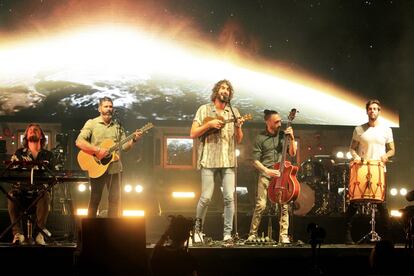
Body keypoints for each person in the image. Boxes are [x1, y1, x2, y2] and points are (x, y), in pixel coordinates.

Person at [190, 79, 245, 242]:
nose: (225, 91)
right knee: (206, 197)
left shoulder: (234, 112)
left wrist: (239, 127)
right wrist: (209, 125)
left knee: (229, 197)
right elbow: (192, 133)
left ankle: (227, 234)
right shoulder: (204, 109)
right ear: (216, 91)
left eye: (228, 89)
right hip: (208, 160)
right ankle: (197, 232)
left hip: (228, 160)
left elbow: (239, 139)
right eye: (222, 88)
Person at [76, 96, 142, 218]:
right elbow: (79, 142)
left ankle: (112, 230)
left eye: (110, 106)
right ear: (99, 109)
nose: (108, 109)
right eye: (105, 106)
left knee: (114, 200)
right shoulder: (92, 123)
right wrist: (97, 150)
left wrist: (134, 140)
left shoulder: (118, 126)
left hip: (115, 168)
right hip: (98, 166)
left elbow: (125, 148)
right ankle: (90, 230)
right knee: (95, 199)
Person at [345, 99, 395, 244]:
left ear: (379, 111)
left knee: (381, 204)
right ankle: (347, 235)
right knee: (354, 202)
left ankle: (387, 237)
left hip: (378, 168)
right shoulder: (359, 129)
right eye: (370, 109)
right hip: (362, 168)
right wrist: (356, 157)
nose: (372, 111)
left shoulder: (386, 129)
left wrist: (386, 156)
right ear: (367, 111)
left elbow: (392, 149)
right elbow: (352, 148)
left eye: (375, 109)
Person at [247, 109, 297, 244]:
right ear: (267, 122)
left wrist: (292, 138)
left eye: (280, 121)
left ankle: (283, 235)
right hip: (266, 174)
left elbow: (292, 153)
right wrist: (267, 171)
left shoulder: (284, 136)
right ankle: (252, 234)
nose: (280, 124)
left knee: (284, 204)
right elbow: (255, 161)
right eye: (276, 122)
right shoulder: (260, 138)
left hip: (281, 174)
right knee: (261, 205)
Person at [7, 123, 55, 245]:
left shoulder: (48, 155)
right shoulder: (19, 153)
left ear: (41, 135)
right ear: (26, 136)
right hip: (22, 194)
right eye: (30, 130)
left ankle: (40, 234)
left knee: (44, 194)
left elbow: (53, 175)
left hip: (39, 194)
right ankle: (17, 234)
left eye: (36, 130)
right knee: (11, 195)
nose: (33, 131)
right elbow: (12, 173)